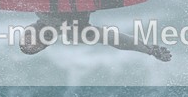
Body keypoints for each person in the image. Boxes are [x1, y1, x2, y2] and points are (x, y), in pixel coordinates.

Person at [19, 12, 172, 61]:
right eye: (40, 43)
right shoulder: (77, 33)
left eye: (28, 36)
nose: (31, 36)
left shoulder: (39, 7)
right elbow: (113, 39)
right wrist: (149, 50)